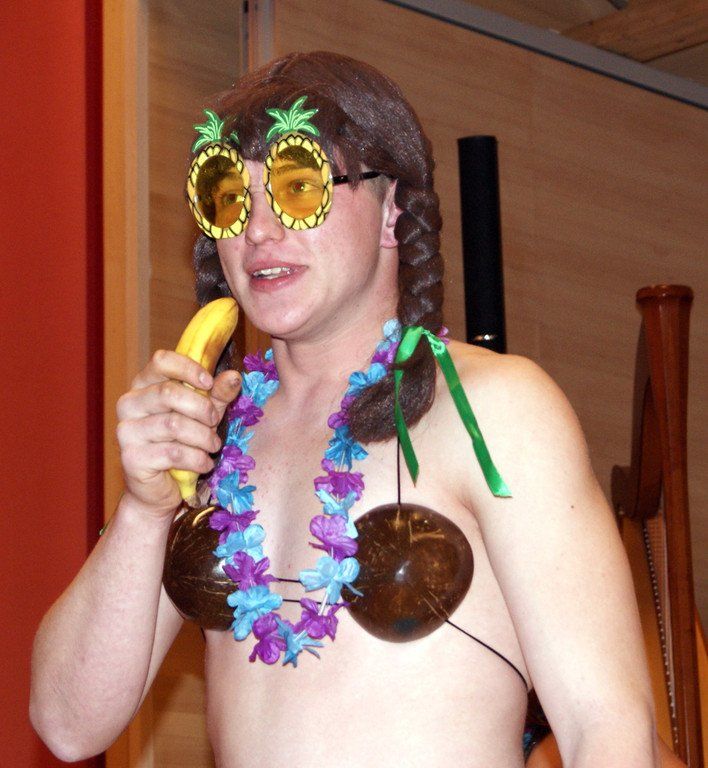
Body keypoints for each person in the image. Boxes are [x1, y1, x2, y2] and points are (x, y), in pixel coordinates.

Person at [31, 51, 665, 767]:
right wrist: (145, 509)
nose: (257, 230)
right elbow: (66, 723)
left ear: (394, 211)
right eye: (231, 199)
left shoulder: (495, 409)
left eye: (298, 188)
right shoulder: (213, 437)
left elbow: (607, 727)